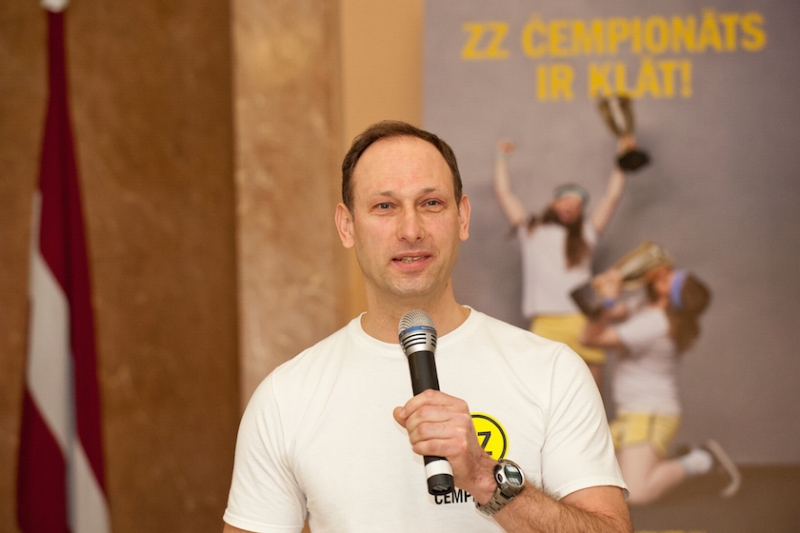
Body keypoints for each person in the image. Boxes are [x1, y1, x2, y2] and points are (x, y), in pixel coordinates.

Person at [222, 121, 632, 533]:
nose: (411, 230)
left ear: (462, 218)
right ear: (347, 226)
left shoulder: (552, 372)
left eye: (431, 203)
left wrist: (484, 477)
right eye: (385, 207)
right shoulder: (286, 397)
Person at [580, 263, 741, 505]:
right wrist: (611, 286)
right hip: (631, 415)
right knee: (592, 476)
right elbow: (608, 310)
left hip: (650, 415)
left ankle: (702, 459)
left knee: (636, 492)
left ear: (671, 296)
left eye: (670, 279)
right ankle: (670, 458)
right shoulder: (644, 306)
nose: (664, 274)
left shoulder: (655, 324)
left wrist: (608, 300)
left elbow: (589, 338)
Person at [493, 136, 635, 389]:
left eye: (578, 205)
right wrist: (501, 157)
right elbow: (504, 194)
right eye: (567, 201)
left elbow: (612, 197)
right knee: (542, 392)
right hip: (545, 324)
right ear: (554, 202)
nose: (571, 207)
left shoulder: (587, 234)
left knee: (591, 395)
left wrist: (622, 157)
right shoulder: (531, 230)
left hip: (582, 322)